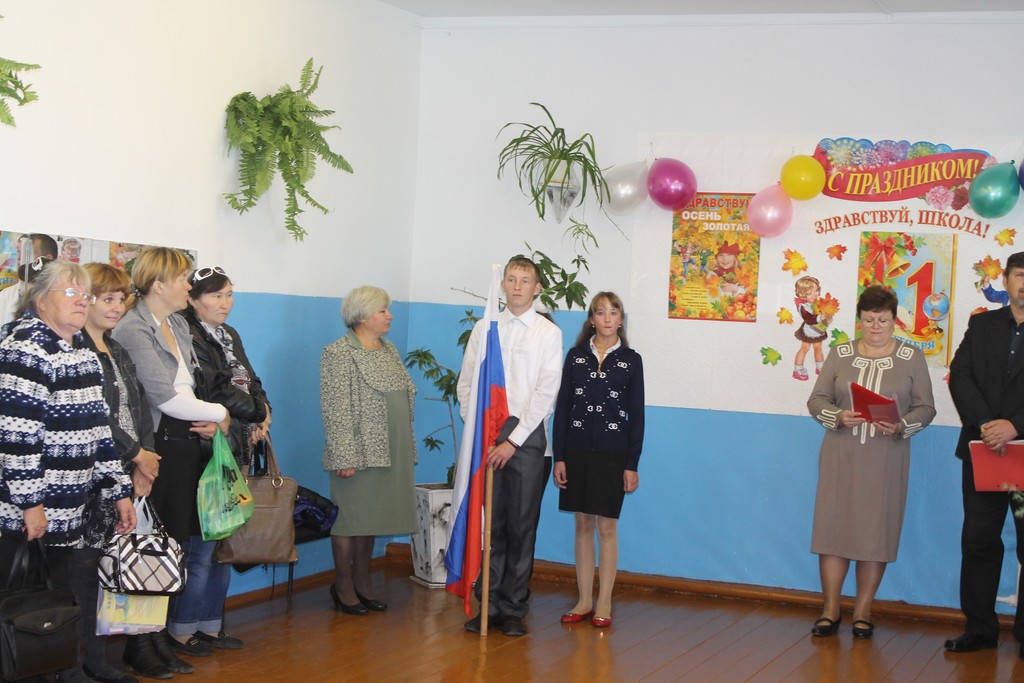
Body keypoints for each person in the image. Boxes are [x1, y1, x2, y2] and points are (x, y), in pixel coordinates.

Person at [0, 260, 135, 683]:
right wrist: (31, 503)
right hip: (24, 514)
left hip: (68, 511)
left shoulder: (80, 350)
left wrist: (119, 490)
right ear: (41, 300)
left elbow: (99, 431)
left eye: (85, 295)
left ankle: (54, 672)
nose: (82, 302)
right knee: (18, 610)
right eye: (72, 293)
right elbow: (16, 437)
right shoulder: (24, 348)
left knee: (50, 609)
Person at [112, 248, 230, 679]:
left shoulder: (177, 323)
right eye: (183, 279)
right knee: (150, 548)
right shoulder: (133, 328)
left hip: (186, 446)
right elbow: (164, 397)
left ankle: (157, 635)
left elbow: (191, 387)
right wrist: (221, 414)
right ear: (159, 284)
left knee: (173, 547)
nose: (189, 286)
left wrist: (211, 421)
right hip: (155, 448)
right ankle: (139, 643)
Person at [806, 285, 935, 639]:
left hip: (886, 459)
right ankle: (830, 609)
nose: (875, 326)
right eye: (868, 320)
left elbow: (926, 408)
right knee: (832, 531)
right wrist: (837, 415)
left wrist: (901, 425)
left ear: (895, 321)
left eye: (883, 320)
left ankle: (863, 610)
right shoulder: (840, 353)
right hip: (840, 456)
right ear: (859, 320)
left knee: (875, 534)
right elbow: (816, 400)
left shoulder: (911, 357)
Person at [457, 256, 562, 637]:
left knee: (520, 527)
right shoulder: (485, 328)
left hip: (528, 442)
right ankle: (489, 604)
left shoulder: (548, 333)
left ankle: (514, 607)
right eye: (512, 279)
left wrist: (512, 442)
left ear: (537, 288)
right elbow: (467, 384)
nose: (517, 286)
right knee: (492, 527)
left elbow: (546, 393)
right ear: (502, 285)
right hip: (488, 439)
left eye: (525, 280)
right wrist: (482, 434)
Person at [77, 263, 162, 683]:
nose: (116, 307)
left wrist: (146, 459)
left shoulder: (116, 349)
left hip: (129, 471)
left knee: (113, 570)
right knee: (84, 575)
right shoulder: (76, 350)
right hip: (94, 477)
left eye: (120, 299)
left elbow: (138, 408)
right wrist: (136, 454)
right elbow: (98, 417)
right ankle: (80, 663)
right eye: (106, 298)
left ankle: (102, 659)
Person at [178, 264, 270, 650]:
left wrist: (263, 411)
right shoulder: (187, 332)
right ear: (193, 299)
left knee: (223, 548)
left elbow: (250, 379)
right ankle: (182, 630)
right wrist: (256, 411)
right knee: (200, 548)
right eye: (216, 295)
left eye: (229, 294)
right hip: (206, 450)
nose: (226, 303)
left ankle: (211, 625)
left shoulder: (228, 334)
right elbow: (214, 389)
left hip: (237, 446)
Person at [945, 250, 1024, 657]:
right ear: (1006, 280)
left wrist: (1015, 426)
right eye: (1019, 275)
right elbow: (960, 375)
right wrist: (987, 425)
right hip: (984, 451)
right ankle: (979, 630)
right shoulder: (981, 324)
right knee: (979, 541)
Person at [320, 285, 417, 616]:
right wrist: (344, 455)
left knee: (371, 516)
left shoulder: (387, 349)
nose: (390, 315)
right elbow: (336, 408)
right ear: (362, 316)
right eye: (382, 310)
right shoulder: (339, 353)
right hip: (357, 452)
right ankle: (342, 586)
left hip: (390, 448)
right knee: (349, 519)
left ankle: (362, 583)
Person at [552, 291, 644, 629]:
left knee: (606, 526)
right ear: (591, 319)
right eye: (600, 312)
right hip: (576, 451)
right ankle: (584, 600)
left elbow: (637, 416)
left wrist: (631, 463)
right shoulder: (576, 357)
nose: (607, 318)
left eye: (613, 312)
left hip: (613, 454)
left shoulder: (631, 360)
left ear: (621, 320)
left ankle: (604, 601)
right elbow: (563, 409)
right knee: (582, 523)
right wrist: (559, 457)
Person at [0, 233, 58, 325]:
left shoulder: (61, 296)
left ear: (48, 259)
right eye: (18, 251)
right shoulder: (5, 295)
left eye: (27, 253)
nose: (19, 257)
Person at [793, 276, 832, 381]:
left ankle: (820, 367)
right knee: (805, 348)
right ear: (802, 295)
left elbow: (823, 315)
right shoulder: (803, 306)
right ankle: (798, 369)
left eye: (816, 291)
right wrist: (820, 318)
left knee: (818, 347)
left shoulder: (817, 303)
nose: (815, 295)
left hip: (818, 330)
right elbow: (808, 319)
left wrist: (827, 318)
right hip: (808, 330)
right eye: (810, 293)